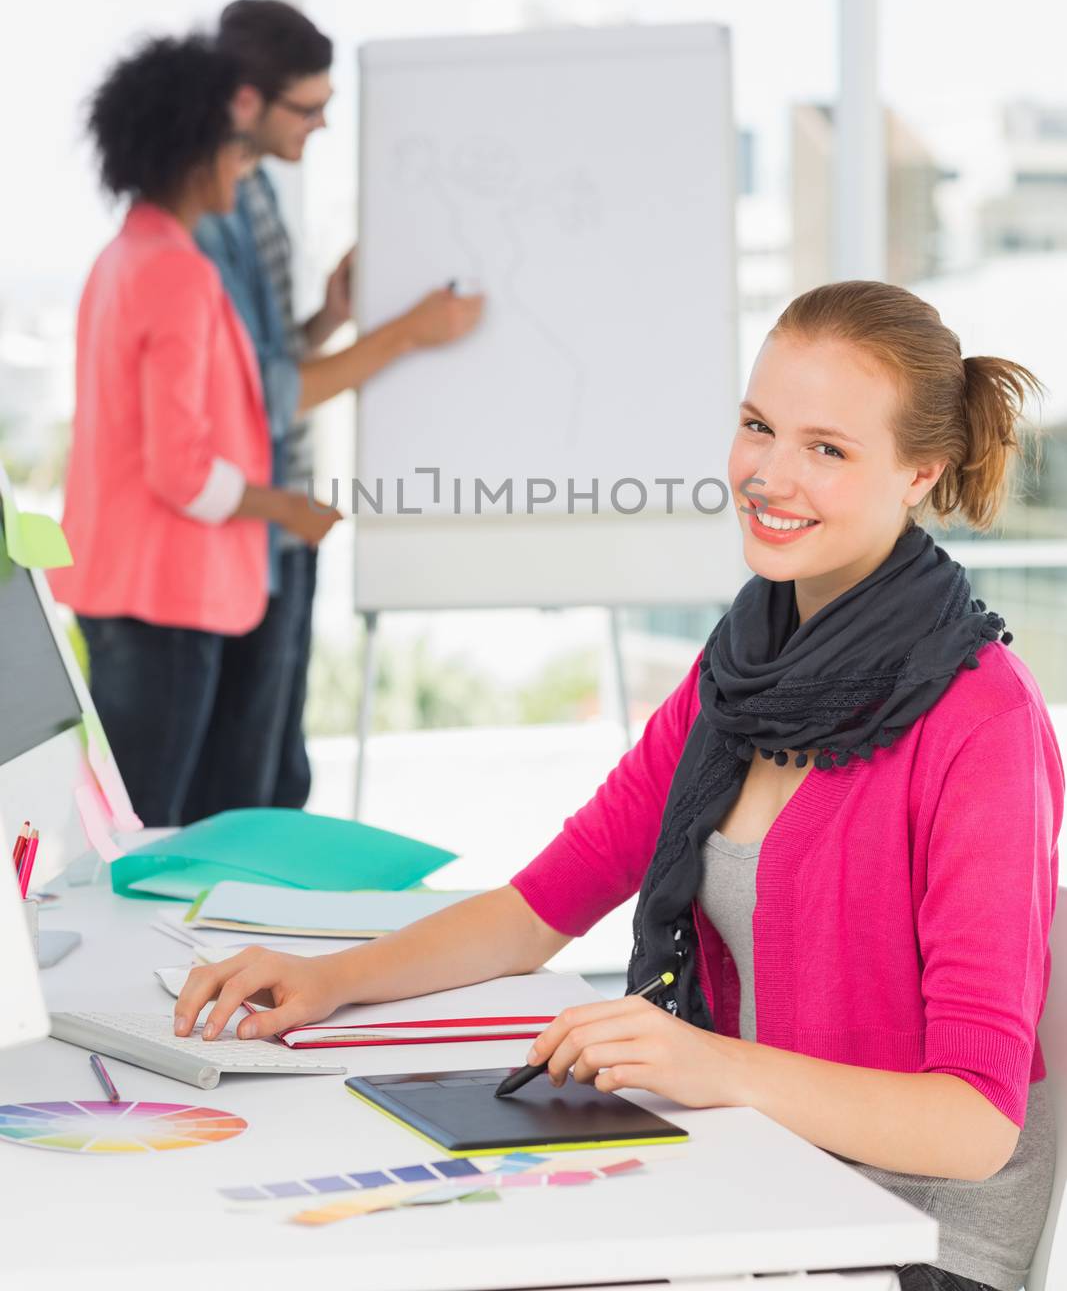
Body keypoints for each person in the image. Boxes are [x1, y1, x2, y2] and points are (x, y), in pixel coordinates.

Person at [175, 279, 1062, 1291]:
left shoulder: (981, 719)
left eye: (826, 448)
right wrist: (327, 979)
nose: (769, 476)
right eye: (756, 426)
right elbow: (535, 910)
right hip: (763, 1174)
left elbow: (974, 1122)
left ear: (919, 473)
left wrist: (712, 1068)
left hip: (913, 1236)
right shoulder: (740, 669)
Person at [194, 0, 484, 814]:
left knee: (278, 778)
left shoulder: (256, 193)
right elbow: (260, 397)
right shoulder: (208, 213)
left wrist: (330, 313)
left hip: (279, 533)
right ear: (245, 100)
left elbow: (270, 359)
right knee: (237, 790)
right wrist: (406, 334)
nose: (321, 126)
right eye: (308, 108)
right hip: (244, 530)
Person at [52, 35, 339, 826]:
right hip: (164, 601)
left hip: (124, 593)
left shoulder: (126, 256)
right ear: (194, 151)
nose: (247, 166)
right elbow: (180, 470)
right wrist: (287, 510)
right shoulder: (176, 272)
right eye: (236, 148)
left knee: (132, 820)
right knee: (150, 836)